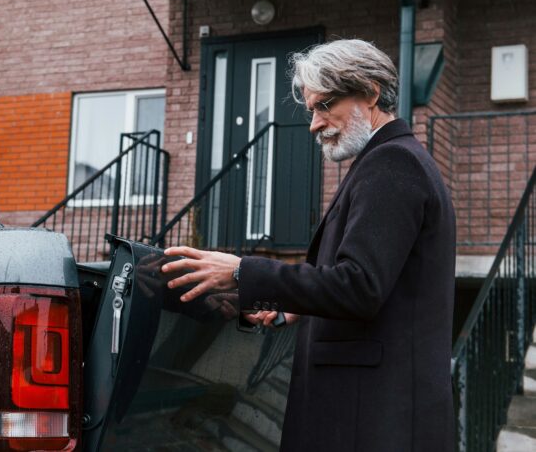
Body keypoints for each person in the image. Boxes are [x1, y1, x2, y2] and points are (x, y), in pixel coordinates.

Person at [162, 39, 455, 452]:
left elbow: (359, 286)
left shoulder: (392, 164)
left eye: (324, 106)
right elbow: (379, 287)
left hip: (373, 421)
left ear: (370, 92)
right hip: (372, 415)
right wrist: (300, 304)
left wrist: (243, 270)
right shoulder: (389, 161)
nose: (314, 124)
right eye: (311, 109)